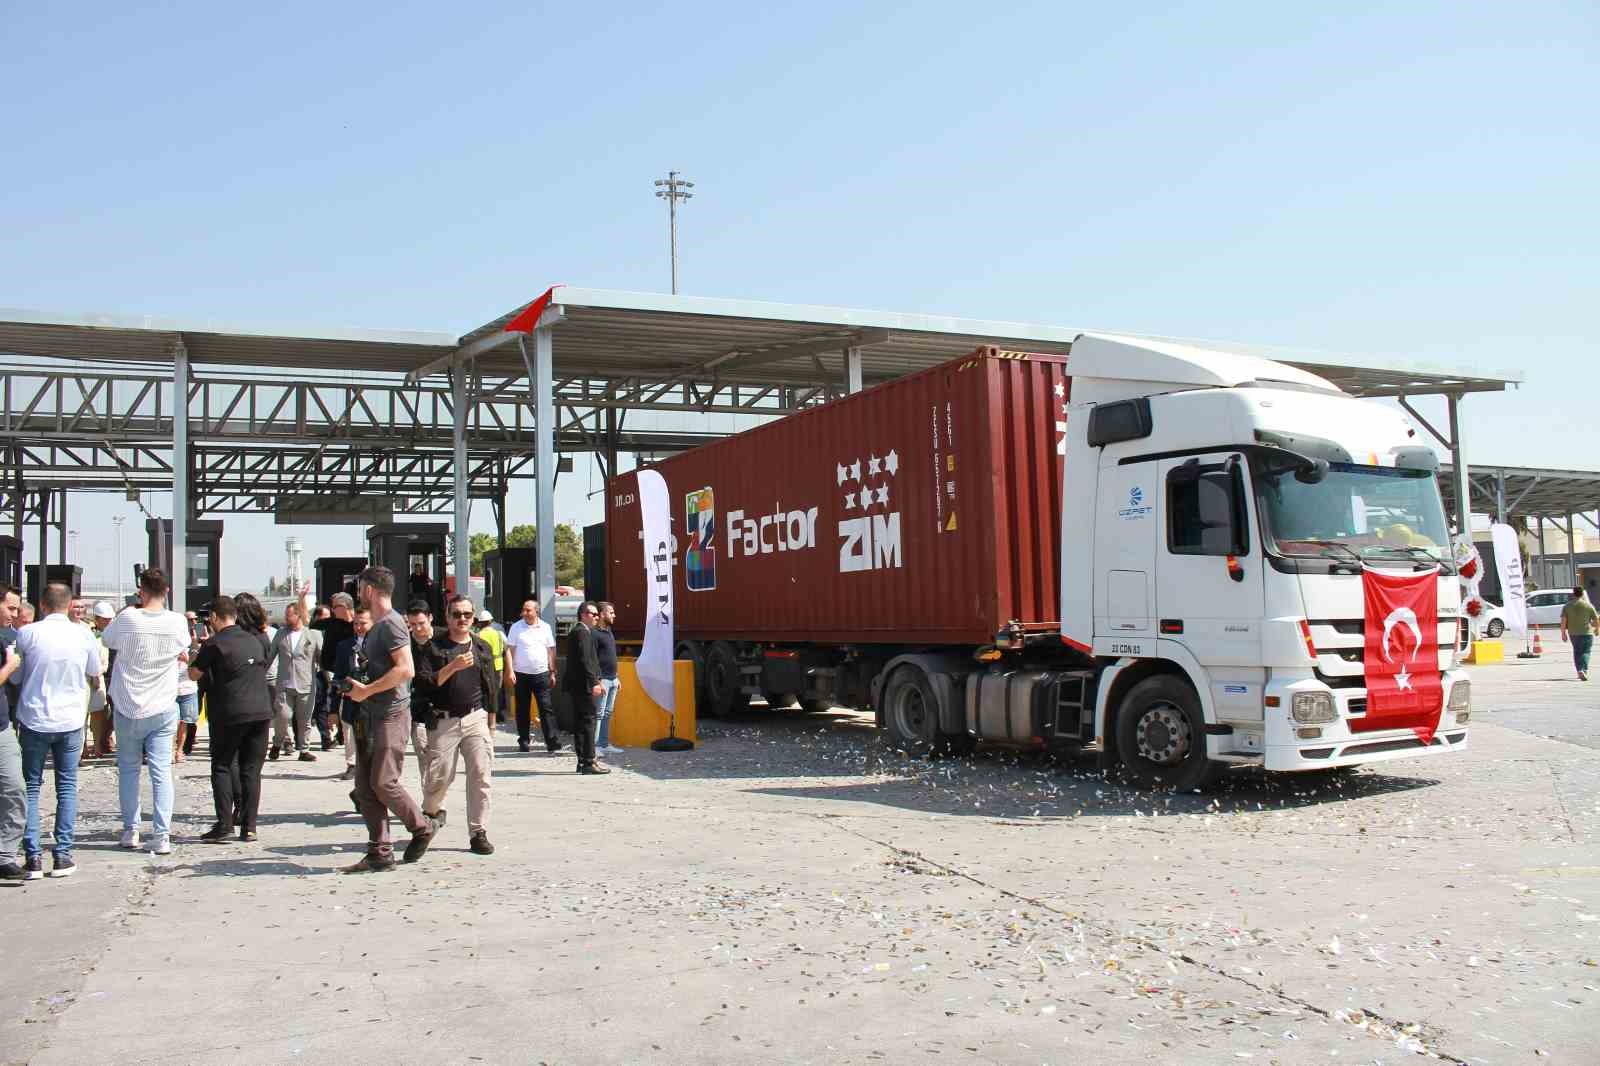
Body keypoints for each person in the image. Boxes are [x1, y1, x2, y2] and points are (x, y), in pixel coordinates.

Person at [341, 565, 437, 873]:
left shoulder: (393, 623)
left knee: (383, 782)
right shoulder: (379, 625)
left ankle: (421, 827)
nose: (358, 595)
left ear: (369, 590)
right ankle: (379, 851)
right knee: (367, 787)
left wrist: (366, 690)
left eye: (359, 589)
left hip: (390, 715)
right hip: (371, 714)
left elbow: (405, 669)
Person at [13, 583, 101, 878]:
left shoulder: (28, 633)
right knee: (66, 786)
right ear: (68, 605)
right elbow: (93, 671)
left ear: (42, 604)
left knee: (32, 787)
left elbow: (17, 674)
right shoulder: (84, 634)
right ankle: (62, 855)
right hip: (71, 719)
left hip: (34, 717)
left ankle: (33, 856)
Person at [101, 568, 191, 855]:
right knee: (161, 771)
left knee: (128, 770)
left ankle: (131, 830)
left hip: (128, 703)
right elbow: (184, 647)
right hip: (162, 704)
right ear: (167, 590)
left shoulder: (127, 617)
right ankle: (162, 835)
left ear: (141, 590)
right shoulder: (176, 622)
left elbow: (107, 640)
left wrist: (131, 609)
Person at [416, 595, 505, 855]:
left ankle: (478, 831)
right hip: (444, 720)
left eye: (467, 615)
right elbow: (424, 684)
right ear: (447, 617)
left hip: (475, 717)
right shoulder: (433, 648)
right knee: (439, 778)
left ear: (473, 617)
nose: (462, 619)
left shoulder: (480, 647)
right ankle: (430, 814)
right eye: (457, 614)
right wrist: (452, 667)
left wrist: (491, 722)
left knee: (480, 774)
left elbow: (490, 685)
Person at [188, 595, 272, 843]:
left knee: (223, 765)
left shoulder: (214, 643)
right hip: (261, 711)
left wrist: (193, 655)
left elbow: (194, 674)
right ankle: (249, 827)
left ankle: (225, 825)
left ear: (214, 617)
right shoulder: (256, 640)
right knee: (251, 771)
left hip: (230, 712)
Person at [268, 603, 322, 762]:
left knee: (304, 719)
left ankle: (304, 750)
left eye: (289, 615)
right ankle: (277, 744)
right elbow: (270, 656)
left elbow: (322, 658)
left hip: (306, 684)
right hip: (284, 684)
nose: (286, 618)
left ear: (298, 615)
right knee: (283, 717)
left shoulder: (313, 635)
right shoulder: (281, 634)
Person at [508, 598, 559, 753]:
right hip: (521, 674)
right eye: (523, 610)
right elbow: (510, 651)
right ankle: (524, 741)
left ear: (536, 611)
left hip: (541, 674)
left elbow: (551, 650)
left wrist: (552, 671)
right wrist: (510, 671)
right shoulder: (516, 627)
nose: (524, 613)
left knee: (546, 708)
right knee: (522, 709)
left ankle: (551, 741)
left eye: (528, 610)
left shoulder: (545, 627)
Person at [564, 602, 609, 775]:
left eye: (598, 614)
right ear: (583, 615)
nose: (597, 617)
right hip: (583, 686)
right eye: (593, 614)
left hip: (580, 685)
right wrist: (595, 682)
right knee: (588, 722)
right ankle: (589, 761)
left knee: (582, 723)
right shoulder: (582, 632)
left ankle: (583, 761)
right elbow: (586, 660)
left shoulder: (581, 632)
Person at [307, 591, 355, 750]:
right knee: (325, 702)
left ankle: (342, 733)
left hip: (349, 672)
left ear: (344, 607)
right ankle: (328, 736)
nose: (333, 610)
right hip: (329, 669)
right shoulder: (332, 623)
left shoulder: (358, 624)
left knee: (345, 704)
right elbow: (308, 621)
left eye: (335, 607)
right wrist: (301, 599)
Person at [0, 584, 26, 880]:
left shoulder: (8, 637)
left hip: (3, 725)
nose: (15, 614)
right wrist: (10, 666)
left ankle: (5, 855)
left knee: (13, 788)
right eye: (11, 608)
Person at [332, 606, 372, 782]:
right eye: (355, 623)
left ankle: (368, 766)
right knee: (350, 732)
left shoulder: (379, 645)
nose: (359, 627)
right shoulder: (344, 646)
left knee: (369, 737)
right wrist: (333, 708)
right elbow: (337, 676)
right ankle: (351, 764)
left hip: (372, 700)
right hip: (350, 700)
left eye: (363, 623)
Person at [86, 602, 116, 758]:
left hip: (111, 675)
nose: (109, 622)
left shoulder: (115, 633)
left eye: (110, 619)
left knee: (107, 712)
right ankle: (89, 745)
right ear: (97, 618)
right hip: (94, 675)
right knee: (92, 712)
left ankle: (102, 741)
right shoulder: (89, 633)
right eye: (105, 619)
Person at [593, 601, 623, 755]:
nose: (614, 615)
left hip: (612, 679)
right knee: (598, 713)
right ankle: (594, 746)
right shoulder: (594, 633)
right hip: (602, 679)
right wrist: (598, 681)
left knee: (607, 713)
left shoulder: (609, 631)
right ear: (602, 614)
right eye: (611, 612)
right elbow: (594, 659)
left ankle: (604, 743)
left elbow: (610, 656)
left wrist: (616, 677)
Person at [173, 614, 202, 763]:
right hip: (170, 689)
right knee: (173, 723)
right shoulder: (169, 645)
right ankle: (172, 751)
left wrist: (189, 657)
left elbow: (197, 666)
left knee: (185, 721)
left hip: (188, 689)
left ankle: (179, 751)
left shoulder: (194, 646)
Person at [473, 610, 508, 725]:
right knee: (497, 691)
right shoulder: (499, 634)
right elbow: (506, 649)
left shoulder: (478, 635)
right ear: (490, 621)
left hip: (485, 666)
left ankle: (486, 715)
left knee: (485, 691)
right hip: (498, 665)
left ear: (480, 623)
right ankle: (499, 715)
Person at [1560, 585, 1598, 681]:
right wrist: (1597, 629)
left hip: (1573, 633)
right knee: (1586, 651)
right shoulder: (1588, 605)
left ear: (1573, 594)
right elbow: (1596, 619)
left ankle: (1579, 671)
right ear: (1582, 594)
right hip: (1587, 633)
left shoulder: (1567, 606)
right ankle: (1583, 670)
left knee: (1577, 652)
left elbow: (1563, 621)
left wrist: (1563, 633)